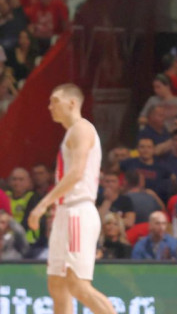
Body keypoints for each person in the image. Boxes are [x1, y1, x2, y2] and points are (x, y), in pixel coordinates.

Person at [27, 83, 116, 314]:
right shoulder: (71, 131)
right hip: (65, 212)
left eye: (54, 100)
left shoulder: (81, 128)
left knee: (78, 286)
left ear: (72, 103)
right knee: (57, 285)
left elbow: (76, 173)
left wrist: (42, 204)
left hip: (78, 211)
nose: (50, 106)